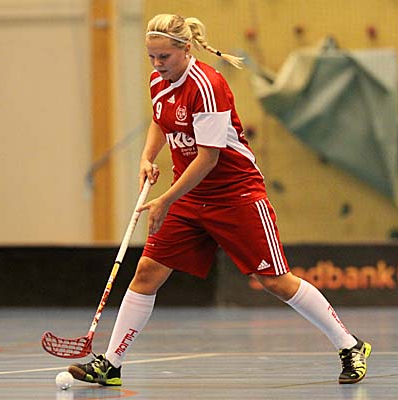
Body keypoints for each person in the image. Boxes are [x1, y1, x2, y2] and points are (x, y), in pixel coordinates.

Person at [69, 13, 371, 386]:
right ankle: (111, 364)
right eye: (151, 57)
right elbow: (161, 120)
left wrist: (165, 199)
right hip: (190, 196)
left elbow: (208, 158)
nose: (157, 65)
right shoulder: (159, 80)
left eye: (164, 57)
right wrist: (147, 158)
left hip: (235, 195)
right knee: (146, 272)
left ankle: (349, 344)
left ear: (186, 49)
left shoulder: (208, 86)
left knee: (275, 280)